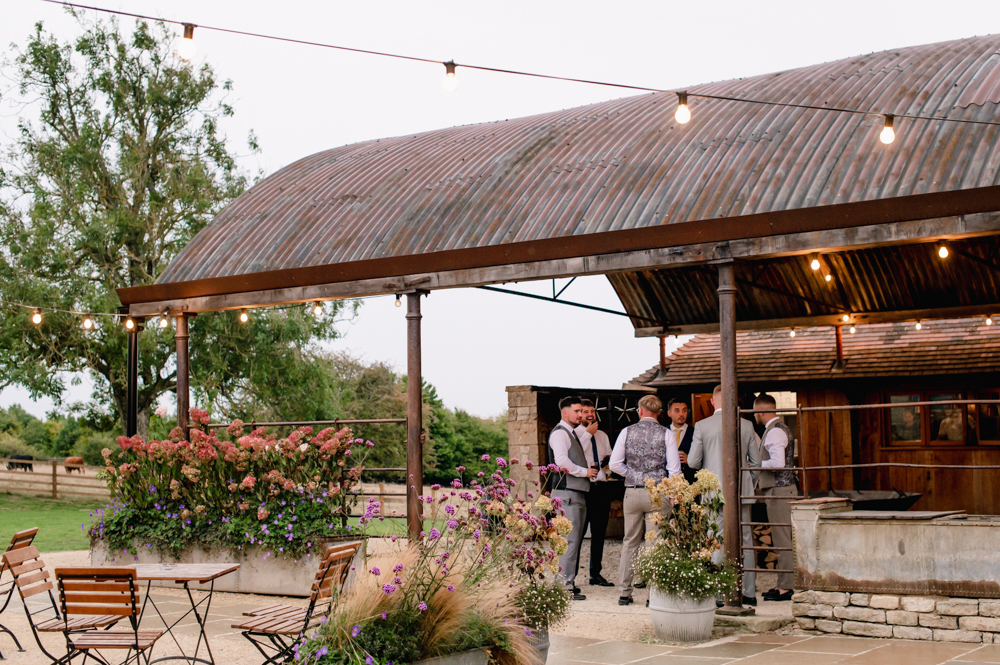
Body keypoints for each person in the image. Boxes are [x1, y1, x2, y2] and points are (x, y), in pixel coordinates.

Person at [687, 384, 761, 607]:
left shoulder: (702, 426)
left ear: (712, 401)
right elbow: (756, 463)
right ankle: (748, 592)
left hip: (713, 493)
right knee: (746, 540)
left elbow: (692, 461)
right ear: (735, 401)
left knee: (715, 539)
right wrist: (749, 484)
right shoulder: (747, 425)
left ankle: (719, 593)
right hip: (741, 492)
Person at [608, 395, 682, 606]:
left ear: (640, 411)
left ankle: (624, 593)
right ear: (659, 413)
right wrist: (673, 492)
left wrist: (632, 474)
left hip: (632, 491)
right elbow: (674, 469)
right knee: (655, 544)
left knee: (629, 541)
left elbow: (614, 464)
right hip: (657, 493)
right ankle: (654, 594)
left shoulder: (626, 431)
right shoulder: (666, 434)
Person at [547, 395, 597, 600]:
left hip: (574, 493)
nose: (580, 415)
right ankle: (563, 586)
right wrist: (585, 472)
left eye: (581, 411)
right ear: (564, 412)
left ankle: (568, 582)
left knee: (574, 540)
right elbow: (561, 462)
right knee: (569, 541)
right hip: (567, 494)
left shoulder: (571, 433)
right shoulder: (560, 434)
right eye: (576, 411)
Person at [752, 393, 798, 602]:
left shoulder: (774, 432)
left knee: (782, 539)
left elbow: (778, 463)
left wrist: (754, 465)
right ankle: (782, 584)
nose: (754, 416)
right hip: (780, 489)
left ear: (761, 411)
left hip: (780, 491)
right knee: (782, 538)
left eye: (755, 412)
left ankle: (786, 588)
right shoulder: (778, 429)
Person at [575, 399, 617, 587]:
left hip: (601, 487)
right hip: (583, 488)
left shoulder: (602, 436)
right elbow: (573, 457)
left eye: (592, 410)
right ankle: (571, 576)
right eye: (585, 411)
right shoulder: (573, 434)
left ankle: (595, 573)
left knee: (599, 533)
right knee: (579, 533)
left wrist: (607, 465)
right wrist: (586, 435)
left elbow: (608, 457)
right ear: (579, 414)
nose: (590, 414)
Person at [665, 398, 697, 484]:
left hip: (689, 484)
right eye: (677, 411)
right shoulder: (663, 432)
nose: (681, 414)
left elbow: (703, 457)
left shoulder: (695, 432)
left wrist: (690, 460)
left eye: (684, 410)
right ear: (669, 413)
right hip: (667, 484)